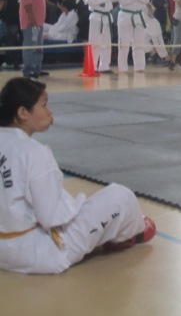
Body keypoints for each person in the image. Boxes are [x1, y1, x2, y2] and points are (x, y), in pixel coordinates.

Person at [0, 77, 156, 274]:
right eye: (44, 105)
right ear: (23, 112)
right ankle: (132, 232)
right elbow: (49, 218)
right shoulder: (34, 152)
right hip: (40, 254)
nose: (49, 111)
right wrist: (76, 206)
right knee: (121, 197)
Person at [117, 0, 150, 73]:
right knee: (124, 44)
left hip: (138, 17)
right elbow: (123, 1)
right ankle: (123, 68)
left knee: (139, 44)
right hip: (125, 18)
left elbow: (147, 0)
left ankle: (139, 66)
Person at [86, 0, 118, 73]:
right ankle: (93, 66)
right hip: (96, 17)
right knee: (95, 42)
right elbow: (92, 2)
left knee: (106, 43)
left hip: (106, 18)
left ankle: (104, 66)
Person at [20, 0, 48, 79]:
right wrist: (32, 20)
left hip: (39, 22)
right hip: (31, 23)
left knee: (38, 47)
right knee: (30, 46)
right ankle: (28, 70)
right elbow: (27, 4)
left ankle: (37, 69)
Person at [0, 0, 23, 70]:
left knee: (10, 41)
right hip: (23, 17)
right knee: (22, 40)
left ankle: (9, 62)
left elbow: (1, 1)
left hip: (11, 16)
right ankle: (21, 61)